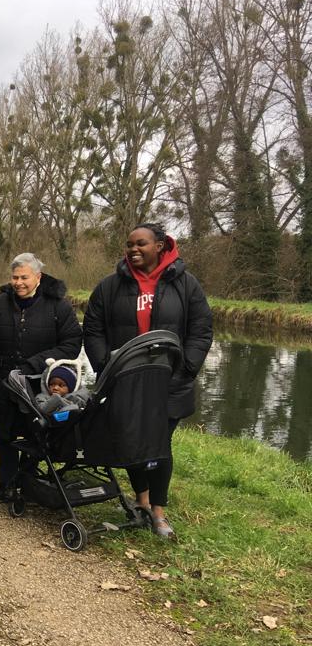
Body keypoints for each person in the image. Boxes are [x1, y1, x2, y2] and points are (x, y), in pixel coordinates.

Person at [83, 223, 212, 540]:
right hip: (124, 382)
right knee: (131, 441)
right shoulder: (110, 286)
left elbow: (201, 330)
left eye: (141, 243)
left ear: (160, 246)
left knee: (159, 446)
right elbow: (93, 329)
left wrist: (186, 369)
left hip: (169, 384)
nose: (133, 249)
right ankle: (140, 501)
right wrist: (105, 367)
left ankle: (158, 512)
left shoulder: (186, 285)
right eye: (129, 245)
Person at [0, 253, 83, 504]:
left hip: (39, 384)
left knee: (37, 436)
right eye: (14, 277)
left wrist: (35, 363)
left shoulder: (58, 306)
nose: (19, 282)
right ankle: (7, 484)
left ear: (38, 277)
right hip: (2, 384)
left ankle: (29, 482)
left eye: (24, 277)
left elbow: (72, 343)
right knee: (5, 435)